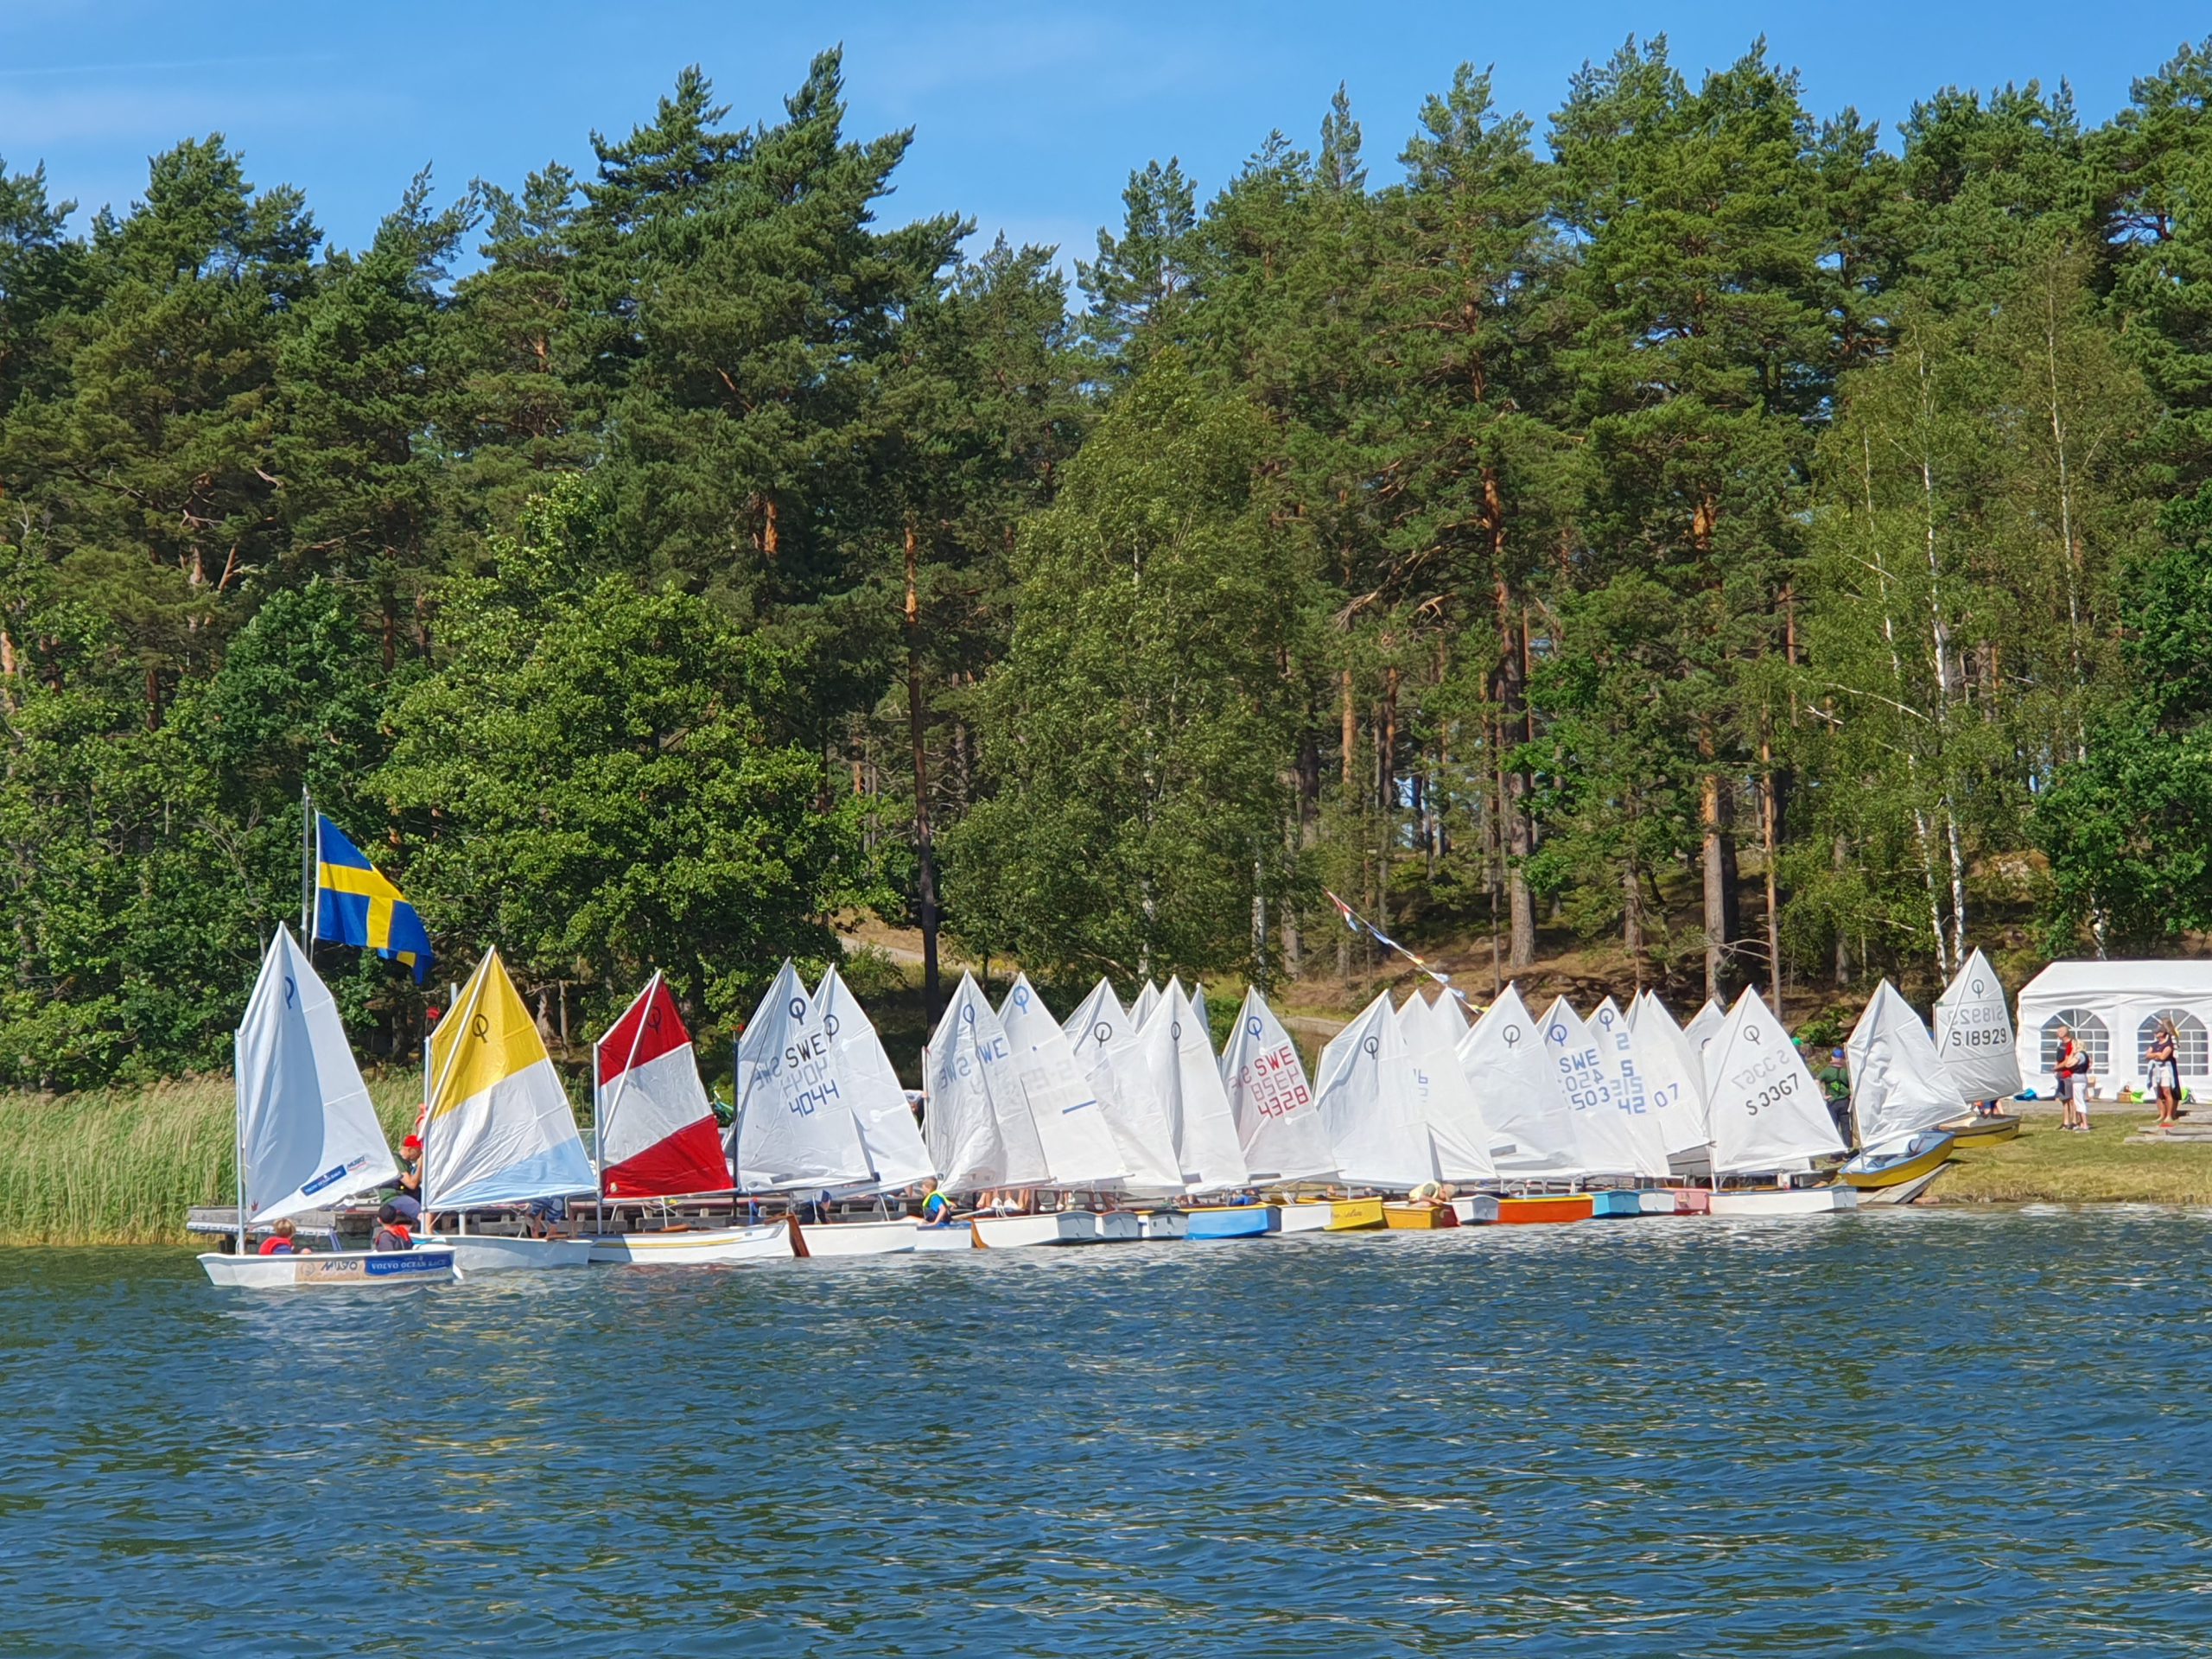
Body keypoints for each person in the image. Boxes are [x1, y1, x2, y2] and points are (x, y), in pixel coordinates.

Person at [2055, 1026, 2092, 1133]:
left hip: (2077, 1079)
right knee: (2073, 1100)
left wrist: (2071, 1053)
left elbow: (2069, 1063)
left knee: (2078, 1102)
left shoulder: (2080, 1055)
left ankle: (2082, 1124)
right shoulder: (2080, 1055)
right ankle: (2081, 1123)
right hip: (2076, 1079)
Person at [2147, 1021, 2182, 1128]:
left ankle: (2169, 1115)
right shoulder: (2154, 1044)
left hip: (2166, 1068)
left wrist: (2156, 1055)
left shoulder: (2169, 1044)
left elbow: (2163, 1057)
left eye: (2157, 1032)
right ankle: (2162, 1114)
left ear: (2163, 1033)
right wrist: (2157, 1054)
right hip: (2156, 1069)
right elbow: (2147, 1055)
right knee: (2158, 1092)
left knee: (2167, 1091)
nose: (2155, 1034)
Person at [1816, 1049, 1852, 1138]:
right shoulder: (1846, 1072)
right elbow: (1852, 1086)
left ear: (1832, 1058)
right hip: (1845, 1102)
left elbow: (1817, 1082)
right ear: (1842, 1059)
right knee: (1846, 1126)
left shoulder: (1827, 1071)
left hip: (1832, 1101)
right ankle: (1848, 1146)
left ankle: (1836, 1148)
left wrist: (1823, 1096)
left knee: (1833, 1127)